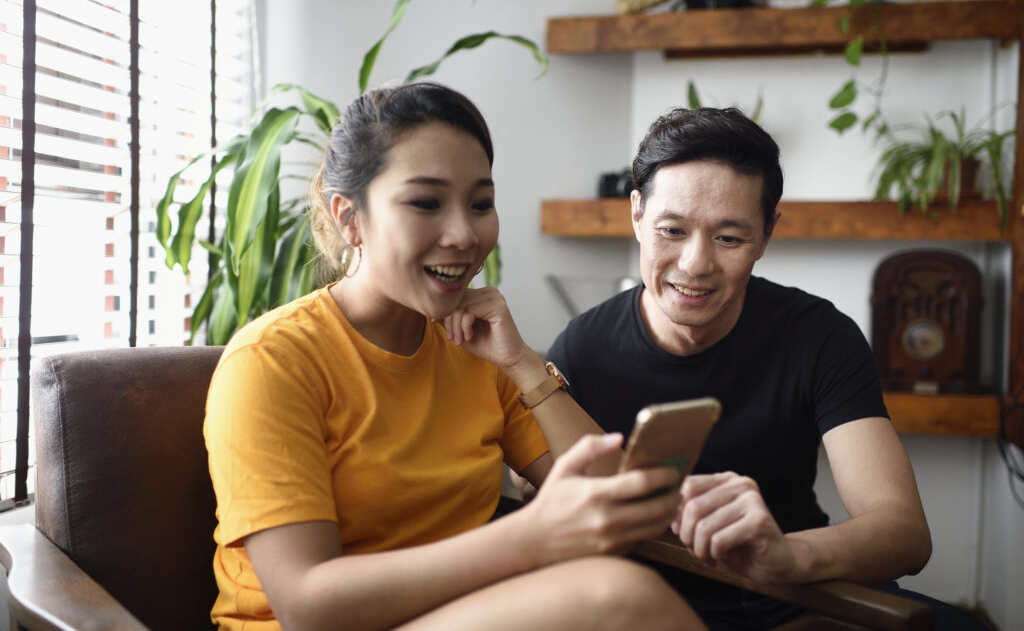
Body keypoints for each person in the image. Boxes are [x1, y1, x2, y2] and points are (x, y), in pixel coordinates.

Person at [204, 82, 706, 631]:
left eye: (481, 204)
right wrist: (531, 535)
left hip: (455, 615)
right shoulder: (272, 361)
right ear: (349, 218)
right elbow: (307, 606)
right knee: (616, 597)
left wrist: (520, 362)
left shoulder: (475, 349)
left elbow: (614, 496)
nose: (465, 235)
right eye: (425, 203)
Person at [546, 107, 986, 630]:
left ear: (767, 233)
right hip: (648, 607)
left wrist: (787, 556)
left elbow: (905, 533)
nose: (695, 264)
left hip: (797, 592)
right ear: (637, 214)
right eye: (672, 230)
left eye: (729, 238)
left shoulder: (820, 336)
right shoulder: (581, 348)